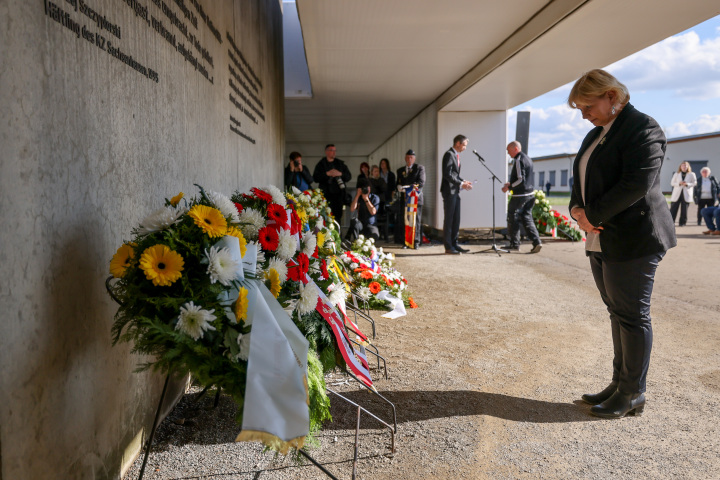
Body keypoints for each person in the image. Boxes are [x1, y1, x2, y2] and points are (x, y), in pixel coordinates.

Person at [567, 69, 676, 419]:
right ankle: (619, 383)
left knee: (632, 315)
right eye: (580, 108)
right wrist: (576, 208)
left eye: (587, 105)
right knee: (618, 313)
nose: (584, 114)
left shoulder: (643, 128)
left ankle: (632, 393)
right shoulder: (596, 134)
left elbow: (636, 184)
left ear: (612, 96)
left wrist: (592, 214)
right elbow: (580, 176)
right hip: (602, 235)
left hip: (635, 236)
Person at [501, 141, 542, 253]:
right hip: (530, 194)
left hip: (520, 195)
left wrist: (509, 187)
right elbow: (523, 178)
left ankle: (515, 244)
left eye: (508, 150)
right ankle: (537, 242)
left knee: (512, 216)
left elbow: (520, 179)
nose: (508, 153)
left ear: (515, 148)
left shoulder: (519, 160)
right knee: (527, 218)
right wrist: (511, 184)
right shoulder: (528, 159)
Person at [440, 134, 473, 254]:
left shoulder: (455, 155)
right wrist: (461, 184)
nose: (465, 147)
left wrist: (463, 181)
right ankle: (448, 247)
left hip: (455, 191)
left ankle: (454, 244)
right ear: (457, 143)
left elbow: (455, 174)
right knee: (449, 219)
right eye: (464, 145)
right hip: (449, 191)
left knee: (456, 219)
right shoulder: (449, 155)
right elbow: (447, 174)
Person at [313, 144, 352, 222]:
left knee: (337, 218)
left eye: (335, 150)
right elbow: (315, 178)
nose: (334, 152)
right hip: (326, 195)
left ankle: (338, 233)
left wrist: (340, 174)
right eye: (331, 150)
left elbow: (348, 176)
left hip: (338, 196)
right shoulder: (321, 164)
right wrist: (327, 174)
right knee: (325, 217)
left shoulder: (340, 164)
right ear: (326, 152)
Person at [396, 149, 426, 248]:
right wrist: (399, 187)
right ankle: (406, 241)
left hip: (416, 198)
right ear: (405, 158)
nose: (409, 159)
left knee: (416, 220)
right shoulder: (400, 170)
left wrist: (409, 189)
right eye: (408, 157)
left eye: (411, 157)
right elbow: (398, 182)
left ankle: (415, 241)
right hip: (405, 199)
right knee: (406, 220)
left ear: (414, 159)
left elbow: (421, 182)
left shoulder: (419, 168)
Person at [345, 177, 380, 242]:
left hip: (371, 224)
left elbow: (373, 212)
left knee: (375, 236)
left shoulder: (375, 197)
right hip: (360, 223)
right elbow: (352, 209)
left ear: (370, 188)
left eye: (367, 188)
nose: (365, 190)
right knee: (354, 222)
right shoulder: (358, 197)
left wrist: (366, 199)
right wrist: (357, 195)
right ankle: (357, 242)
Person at [669, 161, 697, 226]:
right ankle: (670, 222)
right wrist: (679, 183)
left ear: (688, 167)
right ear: (680, 167)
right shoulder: (676, 174)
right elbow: (672, 183)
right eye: (683, 166)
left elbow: (695, 183)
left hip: (686, 194)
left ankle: (682, 223)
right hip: (677, 194)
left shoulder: (692, 174)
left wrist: (687, 184)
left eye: (685, 166)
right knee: (673, 209)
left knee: (684, 210)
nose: (684, 167)